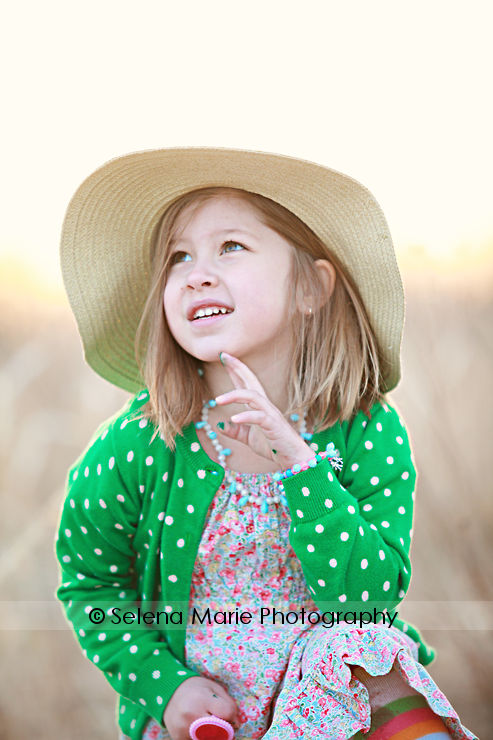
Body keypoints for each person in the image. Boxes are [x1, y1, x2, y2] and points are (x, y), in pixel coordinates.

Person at [55, 148, 477, 740]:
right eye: (179, 257)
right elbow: (91, 582)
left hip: (345, 705)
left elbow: (369, 601)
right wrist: (162, 683)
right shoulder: (143, 441)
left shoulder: (365, 431)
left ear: (312, 287)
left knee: (381, 677)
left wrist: (301, 468)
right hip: (214, 714)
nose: (198, 271)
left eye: (231, 246)